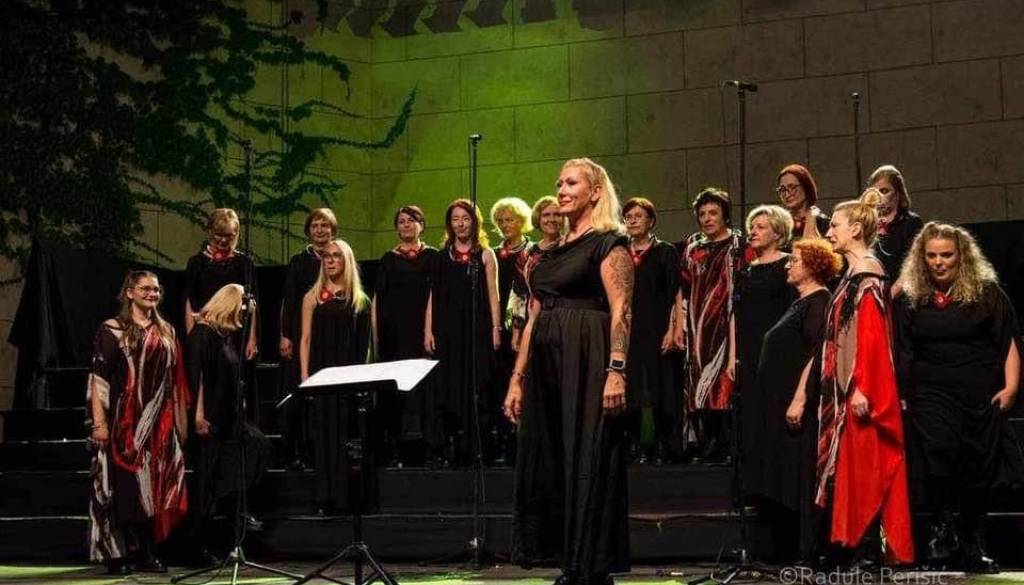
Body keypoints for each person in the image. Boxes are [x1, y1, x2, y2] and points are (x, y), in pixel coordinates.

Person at [505, 157, 633, 585]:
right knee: (551, 459)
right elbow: (534, 316)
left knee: (587, 456)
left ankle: (591, 568)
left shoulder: (609, 243)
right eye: (559, 183)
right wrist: (517, 378)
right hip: (547, 365)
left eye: (571, 183)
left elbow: (622, 310)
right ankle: (568, 562)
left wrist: (616, 370)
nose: (561, 189)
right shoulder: (550, 251)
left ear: (595, 192)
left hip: (589, 357)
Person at [895, 222, 1024, 573]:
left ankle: (970, 543)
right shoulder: (912, 296)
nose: (939, 262)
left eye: (946, 255)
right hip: (930, 393)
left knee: (976, 470)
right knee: (938, 453)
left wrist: (1011, 387)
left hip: (979, 394)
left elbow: (1009, 340)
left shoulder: (986, 292)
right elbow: (903, 350)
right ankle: (942, 530)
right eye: (931, 255)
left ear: (961, 256)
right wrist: (903, 393)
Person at [815, 189, 913, 566]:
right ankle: (857, 547)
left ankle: (869, 550)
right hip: (847, 388)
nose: (829, 232)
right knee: (854, 467)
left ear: (855, 229)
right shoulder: (853, 275)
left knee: (867, 466)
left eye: (835, 226)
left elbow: (871, 337)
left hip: (862, 390)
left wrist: (861, 387)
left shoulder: (867, 273)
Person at [87, 271, 189, 574]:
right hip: (124, 423)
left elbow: (174, 382)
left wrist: (179, 425)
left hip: (160, 424)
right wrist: (99, 424)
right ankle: (120, 554)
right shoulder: (112, 329)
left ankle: (147, 551)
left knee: (156, 489)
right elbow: (98, 379)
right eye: (145, 289)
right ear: (129, 292)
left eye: (156, 289)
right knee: (125, 489)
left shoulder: (167, 330)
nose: (152, 294)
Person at [756, 239, 840, 562]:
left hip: (798, 405)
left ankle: (808, 550)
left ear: (813, 266)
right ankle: (789, 548)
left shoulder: (820, 301)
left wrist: (800, 397)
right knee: (785, 476)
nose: (788, 265)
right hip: (779, 403)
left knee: (801, 477)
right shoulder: (799, 301)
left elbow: (817, 354)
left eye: (795, 260)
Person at [186, 283, 271, 564]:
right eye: (241, 310)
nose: (244, 316)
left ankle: (233, 506)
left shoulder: (223, 336)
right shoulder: (203, 334)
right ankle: (201, 545)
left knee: (257, 445)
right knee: (208, 478)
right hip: (210, 416)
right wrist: (198, 415)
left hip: (229, 416)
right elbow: (197, 377)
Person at [425, 199, 501, 466]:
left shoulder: (485, 255)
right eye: (455, 219)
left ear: (475, 221)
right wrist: (428, 329)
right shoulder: (440, 257)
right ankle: (451, 446)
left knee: (478, 383)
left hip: (477, 328)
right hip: (447, 331)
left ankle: (479, 446)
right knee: (449, 386)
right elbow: (433, 295)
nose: (460, 224)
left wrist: (496, 327)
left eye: (465, 218)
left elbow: (493, 294)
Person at [300, 239, 371, 513]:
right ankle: (324, 498)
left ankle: (346, 499)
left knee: (345, 438)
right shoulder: (312, 297)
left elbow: (364, 346)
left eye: (336, 256)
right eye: (327, 256)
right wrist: (305, 376)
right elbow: (305, 339)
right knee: (323, 438)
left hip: (348, 377)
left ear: (346, 261)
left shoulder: (359, 300)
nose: (330, 261)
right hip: (321, 376)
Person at [674, 188, 744, 463]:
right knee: (698, 385)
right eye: (702, 214)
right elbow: (682, 288)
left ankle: (727, 445)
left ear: (725, 215)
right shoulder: (693, 249)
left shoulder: (738, 246)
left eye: (713, 213)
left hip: (727, 326)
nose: (707, 218)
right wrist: (679, 324)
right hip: (697, 328)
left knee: (724, 383)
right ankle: (708, 441)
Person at [372, 206, 439, 466]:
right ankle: (398, 447)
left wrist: (431, 330)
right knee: (398, 388)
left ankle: (430, 446)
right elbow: (378, 298)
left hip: (424, 331)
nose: (406, 225)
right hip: (395, 334)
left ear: (422, 224)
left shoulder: (433, 256)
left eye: (411, 220)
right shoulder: (389, 259)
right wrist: (376, 337)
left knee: (426, 388)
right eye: (401, 221)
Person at [735, 205, 796, 490]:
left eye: (761, 227)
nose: (753, 232)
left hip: (779, 352)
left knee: (774, 414)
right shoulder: (745, 270)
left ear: (778, 232)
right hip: (748, 351)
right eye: (752, 227)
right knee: (752, 417)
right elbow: (736, 315)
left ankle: (777, 484)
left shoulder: (789, 265)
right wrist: (732, 357)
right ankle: (754, 485)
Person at [621, 196, 680, 464]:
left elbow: (675, 292)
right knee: (632, 388)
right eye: (628, 217)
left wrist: (673, 329)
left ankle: (662, 446)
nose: (633, 221)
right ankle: (635, 445)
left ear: (651, 221)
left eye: (639, 216)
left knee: (660, 387)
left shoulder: (665, 251)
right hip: (628, 329)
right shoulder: (620, 251)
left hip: (658, 326)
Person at [279, 208, 336, 470]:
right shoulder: (298, 261)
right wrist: (285, 335)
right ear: (308, 230)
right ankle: (295, 452)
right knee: (298, 394)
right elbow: (289, 300)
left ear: (333, 229)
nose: (320, 230)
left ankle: (323, 451)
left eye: (325, 225)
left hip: (330, 335)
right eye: (315, 225)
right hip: (301, 335)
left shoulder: (341, 257)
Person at [490, 197, 534, 463]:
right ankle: (504, 438)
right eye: (501, 221)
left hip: (524, 325)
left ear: (522, 221)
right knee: (500, 381)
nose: (505, 224)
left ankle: (523, 440)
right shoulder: (492, 254)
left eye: (510, 219)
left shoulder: (531, 251)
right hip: (499, 328)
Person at [184, 208, 258, 360]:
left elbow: (253, 304)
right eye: (219, 234)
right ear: (210, 232)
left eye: (229, 235)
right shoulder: (196, 263)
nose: (223, 240)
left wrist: (252, 339)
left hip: (236, 336)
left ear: (236, 234)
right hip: (205, 335)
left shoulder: (245, 264)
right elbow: (189, 302)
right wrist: (192, 338)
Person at [510, 196, 562, 351]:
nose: (551, 219)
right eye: (546, 215)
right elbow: (519, 294)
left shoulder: (571, 248)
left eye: (557, 214)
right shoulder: (528, 254)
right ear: (538, 219)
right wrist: (517, 331)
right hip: (533, 322)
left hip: (564, 320)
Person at [868, 165, 924, 285]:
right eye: (874, 192)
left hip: (901, 291)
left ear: (898, 193)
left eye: (884, 191)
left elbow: (913, 266)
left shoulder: (911, 222)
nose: (878, 197)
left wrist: (891, 294)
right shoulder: (867, 223)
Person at [777, 164, 829, 244]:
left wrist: (811, 220)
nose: (787, 194)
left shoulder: (823, 223)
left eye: (792, 187)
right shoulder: (780, 225)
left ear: (806, 187)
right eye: (782, 190)